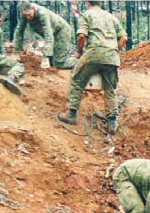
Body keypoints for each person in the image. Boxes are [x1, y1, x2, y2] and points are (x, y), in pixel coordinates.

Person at [56, 0, 127, 133]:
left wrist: (79, 51)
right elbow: (124, 38)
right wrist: (113, 50)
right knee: (110, 88)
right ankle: (112, 122)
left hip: (93, 53)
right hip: (112, 56)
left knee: (76, 79)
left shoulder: (86, 15)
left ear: (88, 3)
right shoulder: (111, 17)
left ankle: (71, 114)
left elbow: (82, 36)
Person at [13, 0, 77, 69]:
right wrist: (17, 50)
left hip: (61, 31)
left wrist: (46, 57)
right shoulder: (24, 14)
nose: (27, 17)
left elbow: (48, 35)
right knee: (52, 62)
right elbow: (19, 30)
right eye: (25, 15)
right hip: (53, 33)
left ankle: (81, 62)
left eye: (29, 14)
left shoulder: (42, 14)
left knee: (59, 64)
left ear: (32, 8)